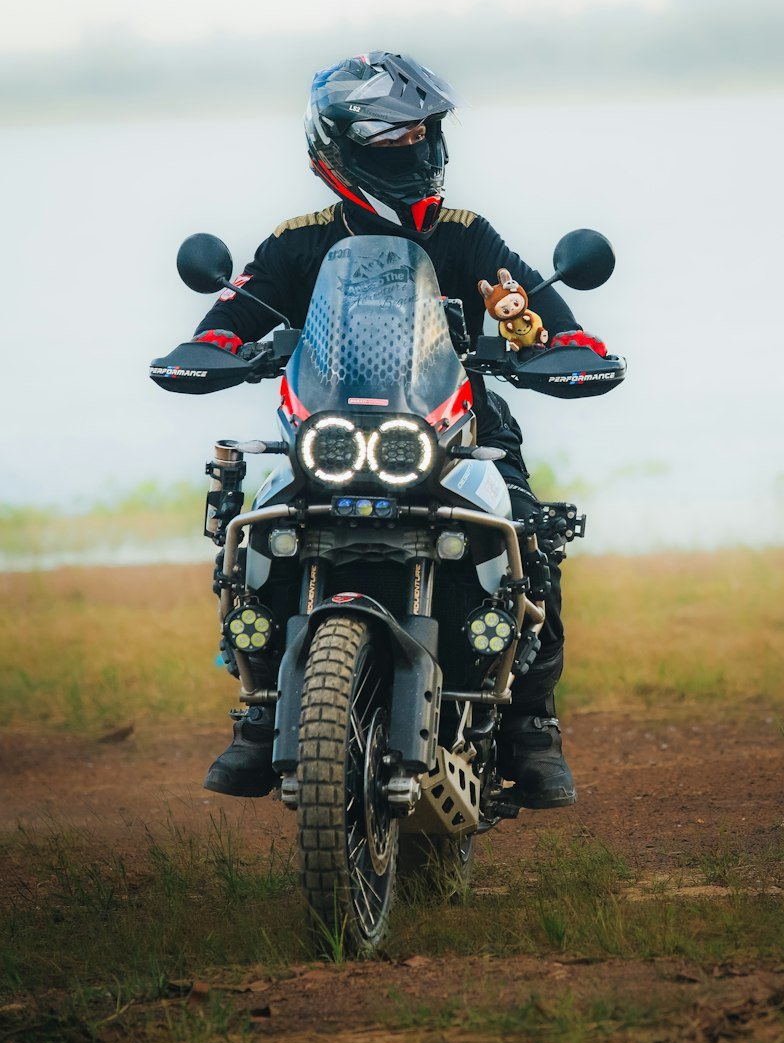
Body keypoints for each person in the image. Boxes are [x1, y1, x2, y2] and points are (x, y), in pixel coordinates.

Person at [191, 52, 609, 810]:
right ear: (340, 150)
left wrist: (564, 346)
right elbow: (231, 315)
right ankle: (258, 712)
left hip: (457, 427)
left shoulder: (466, 234)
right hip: (330, 435)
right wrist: (212, 348)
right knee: (254, 536)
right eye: (392, 144)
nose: (414, 155)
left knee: (530, 532)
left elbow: (549, 326)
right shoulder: (298, 242)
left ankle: (530, 725)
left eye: (422, 137)